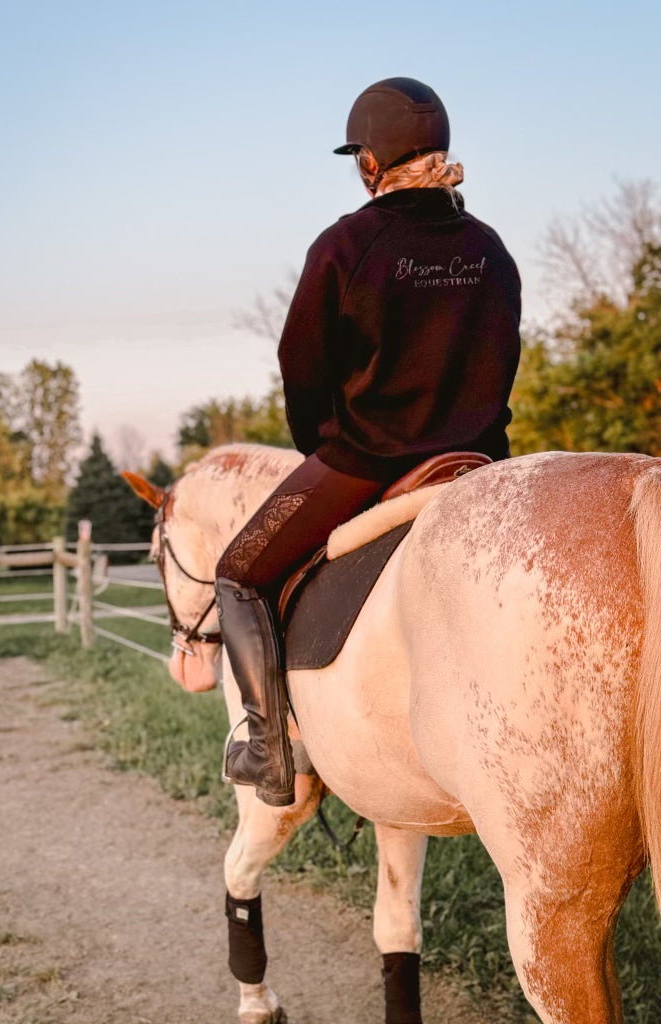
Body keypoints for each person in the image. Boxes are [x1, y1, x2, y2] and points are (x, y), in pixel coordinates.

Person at [215, 76, 521, 806]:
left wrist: (323, 446)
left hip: (367, 462)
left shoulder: (347, 245)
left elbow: (302, 367)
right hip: (482, 463)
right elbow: (504, 358)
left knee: (236, 572)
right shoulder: (490, 248)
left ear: (369, 163)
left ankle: (268, 748)